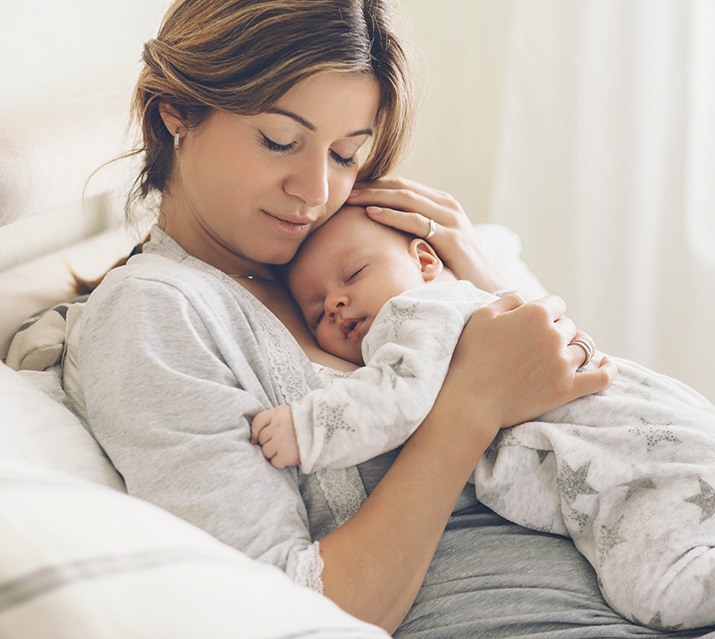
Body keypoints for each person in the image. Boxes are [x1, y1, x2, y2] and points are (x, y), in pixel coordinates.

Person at [60, 1, 715, 637]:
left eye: (346, 155)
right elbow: (280, 607)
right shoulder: (155, 312)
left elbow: (576, 392)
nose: (314, 192)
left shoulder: (343, 246)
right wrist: (469, 401)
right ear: (176, 112)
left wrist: (486, 279)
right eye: (280, 140)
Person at [251, 204, 715, 629]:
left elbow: (394, 400)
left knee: (660, 590)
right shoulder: (475, 308)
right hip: (655, 440)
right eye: (316, 311)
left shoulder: (414, 314)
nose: (335, 303)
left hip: (625, 452)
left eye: (353, 274)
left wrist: (307, 427)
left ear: (427, 262)